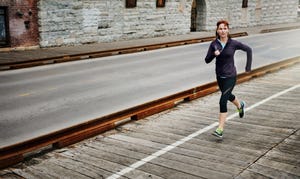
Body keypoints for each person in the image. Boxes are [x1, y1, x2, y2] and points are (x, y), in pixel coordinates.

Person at [205, 20, 252, 138]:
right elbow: (207, 60)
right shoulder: (214, 44)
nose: (223, 31)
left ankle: (220, 129)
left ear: (228, 30)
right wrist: (213, 54)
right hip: (219, 76)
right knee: (228, 95)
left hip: (231, 76)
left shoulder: (233, 43)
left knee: (222, 100)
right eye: (220, 29)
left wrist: (248, 67)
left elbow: (249, 50)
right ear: (217, 31)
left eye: (225, 28)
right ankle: (240, 105)